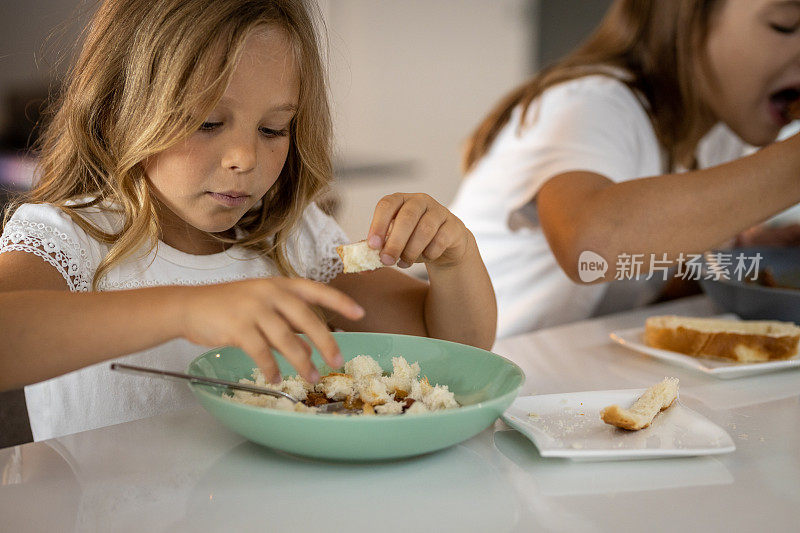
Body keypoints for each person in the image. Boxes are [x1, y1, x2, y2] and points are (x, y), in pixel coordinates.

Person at [0, 0, 496, 441]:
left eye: (272, 129)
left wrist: (456, 258)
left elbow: (453, 347)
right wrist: (185, 310)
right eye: (207, 123)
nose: (243, 157)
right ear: (118, 111)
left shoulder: (289, 239)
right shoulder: (71, 238)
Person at [450, 0, 800, 339]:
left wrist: (738, 250)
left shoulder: (719, 135)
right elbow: (590, 249)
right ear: (687, 17)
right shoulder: (592, 102)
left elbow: (638, 283)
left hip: (575, 370)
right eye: (785, 24)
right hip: (482, 367)